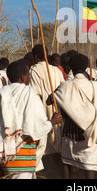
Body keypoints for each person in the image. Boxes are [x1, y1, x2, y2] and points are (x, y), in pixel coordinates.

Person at [0, 60, 62, 179]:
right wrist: (53, 121)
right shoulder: (30, 94)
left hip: (4, 157)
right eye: (28, 75)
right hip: (23, 156)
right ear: (22, 77)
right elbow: (38, 127)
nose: (29, 78)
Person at [53, 53, 97, 179]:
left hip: (69, 131)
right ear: (86, 67)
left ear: (70, 66)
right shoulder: (95, 86)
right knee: (89, 167)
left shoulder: (65, 86)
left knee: (66, 163)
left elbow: (50, 100)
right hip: (90, 131)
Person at [29, 44, 65, 176]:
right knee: (57, 140)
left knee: (45, 145)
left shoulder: (33, 71)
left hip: (42, 112)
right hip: (57, 111)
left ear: (35, 57)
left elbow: (35, 94)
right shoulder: (56, 70)